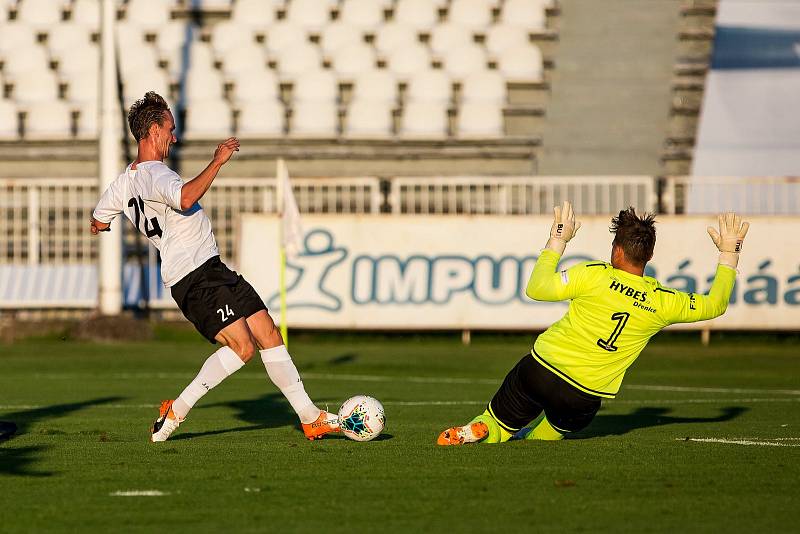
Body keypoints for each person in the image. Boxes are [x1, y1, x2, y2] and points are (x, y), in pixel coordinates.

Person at [90, 92, 339, 442]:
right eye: (171, 129)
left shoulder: (123, 181)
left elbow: (98, 220)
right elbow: (187, 197)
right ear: (154, 131)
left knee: (267, 330)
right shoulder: (157, 175)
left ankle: (310, 417)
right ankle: (177, 409)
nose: (174, 137)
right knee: (243, 348)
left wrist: (108, 222)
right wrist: (218, 161)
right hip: (193, 277)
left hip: (212, 267)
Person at [437, 201, 749, 445]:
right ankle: (532, 437)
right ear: (649, 255)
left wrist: (557, 239)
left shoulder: (594, 274)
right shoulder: (662, 301)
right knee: (546, 435)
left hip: (541, 369)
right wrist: (728, 254)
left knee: (499, 422)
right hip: (583, 394)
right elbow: (715, 304)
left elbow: (537, 288)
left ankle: (487, 429)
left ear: (616, 249)